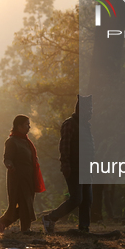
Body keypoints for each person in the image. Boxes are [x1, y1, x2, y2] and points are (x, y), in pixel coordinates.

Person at [42, 95, 94, 233]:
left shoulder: (86, 126)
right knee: (77, 199)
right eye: (88, 108)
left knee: (87, 199)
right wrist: (65, 165)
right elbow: (64, 146)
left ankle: (84, 227)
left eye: (91, 108)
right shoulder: (69, 124)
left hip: (86, 169)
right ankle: (50, 218)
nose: (91, 111)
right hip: (74, 168)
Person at [0, 115, 45, 233]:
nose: (29, 127)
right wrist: (9, 165)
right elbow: (7, 158)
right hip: (18, 178)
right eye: (27, 124)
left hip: (28, 177)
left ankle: (2, 221)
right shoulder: (12, 141)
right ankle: (25, 229)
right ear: (19, 126)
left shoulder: (25, 141)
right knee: (24, 203)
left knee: (26, 203)